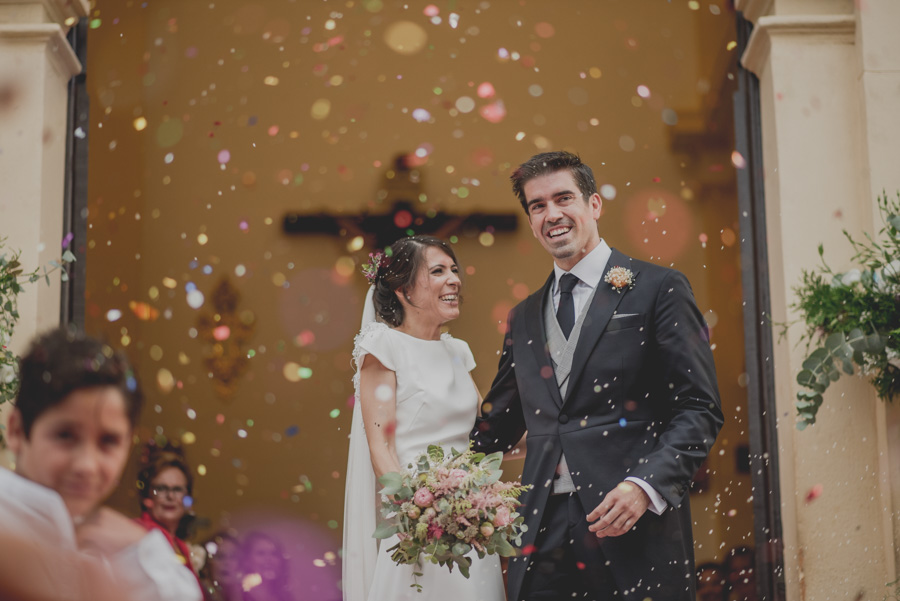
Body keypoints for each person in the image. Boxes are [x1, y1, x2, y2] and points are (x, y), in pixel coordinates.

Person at [471, 151, 724, 601]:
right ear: (530, 220)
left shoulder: (659, 288)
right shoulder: (523, 317)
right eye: (538, 205)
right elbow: (497, 426)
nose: (552, 214)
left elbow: (698, 408)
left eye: (563, 198)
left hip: (631, 521)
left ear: (594, 205)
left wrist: (645, 487)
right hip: (540, 529)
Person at [342, 235, 505, 601]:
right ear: (403, 289)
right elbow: (380, 446)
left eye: (453, 270)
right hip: (418, 529)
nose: (454, 279)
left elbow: (487, 436)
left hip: (470, 522)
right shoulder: (384, 348)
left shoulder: (457, 351)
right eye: (437, 271)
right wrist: (420, 512)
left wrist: (559, 431)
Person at [1, 327, 202, 601]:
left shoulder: (147, 560)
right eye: (65, 436)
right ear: (16, 431)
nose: (87, 465)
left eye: (108, 441)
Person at [136, 444, 203, 585]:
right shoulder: (138, 534)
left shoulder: (180, 545)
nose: (170, 496)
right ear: (146, 496)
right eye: (161, 489)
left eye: (178, 490)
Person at [241, 532, 293, 601]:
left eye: (273, 553)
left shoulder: (286, 596)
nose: (269, 559)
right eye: (261, 553)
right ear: (247, 560)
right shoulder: (239, 596)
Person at [201, 531, 243, 601]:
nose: (227, 562)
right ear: (207, 562)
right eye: (220, 557)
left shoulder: (244, 593)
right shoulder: (198, 593)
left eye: (233, 557)